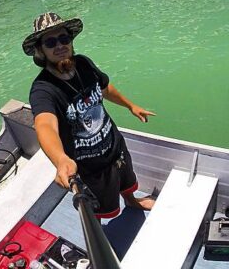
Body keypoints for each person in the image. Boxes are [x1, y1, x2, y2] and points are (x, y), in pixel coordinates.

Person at [24, 12, 156, 219]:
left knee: (126, 179)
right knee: (96, 209)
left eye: (63, 39)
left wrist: (131, 106)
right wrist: (60, 159)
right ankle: (98, 233)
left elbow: (105, 88)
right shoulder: (43, 89)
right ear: (40, 50)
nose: (59, 45)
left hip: (113, 145)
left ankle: (132, 201)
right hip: (87, 165)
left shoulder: (83, 64)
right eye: (50, 42)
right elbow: (45, 125)